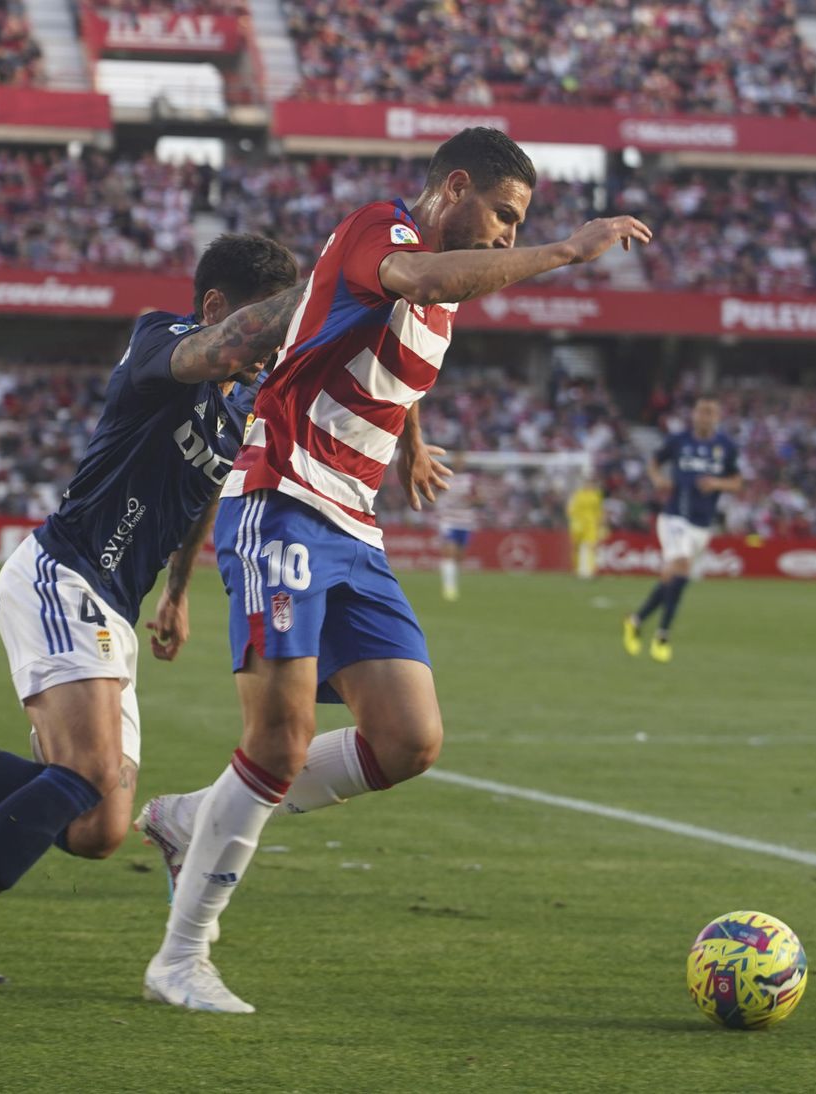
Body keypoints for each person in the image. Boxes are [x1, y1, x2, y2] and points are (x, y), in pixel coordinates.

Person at [138, 127, 652, 1013]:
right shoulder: (381, 230)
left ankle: (193, 816)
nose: (507, 234)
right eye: (503, 214)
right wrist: (566, 252)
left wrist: (411, 442)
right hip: (283, 496)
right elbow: (412, 281)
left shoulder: (439, 288)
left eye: (519, 224)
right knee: (278, 739)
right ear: (454, 187)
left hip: (352, 522)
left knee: (409, 738)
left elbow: (388, 340)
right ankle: (180, 958)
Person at [0, 235, 302, 985]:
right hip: (62, 574)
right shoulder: (161, 340)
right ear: (215, 308)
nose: (270, 344)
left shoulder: (241, 405)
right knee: (91, 771)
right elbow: (224, 348)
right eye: (264, 320)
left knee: (96, 828)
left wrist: (176, 590)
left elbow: (204, 489)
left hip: (115, 606)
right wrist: (332, 285)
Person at [623, 396, 741, 663]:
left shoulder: (726, 447)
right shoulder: (679, 441)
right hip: (675, 517)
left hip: (702, 524)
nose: (704, 417)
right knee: (682, 565)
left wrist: (717, 484)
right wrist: (657, 479)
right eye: (701, 411)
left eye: (710, 412)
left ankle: (636, 620)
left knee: (675, 576)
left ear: (717, 417)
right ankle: (662, 636)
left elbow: (737, 482)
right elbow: (654, 462)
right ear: (694, 415)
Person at [437, 453, 477, 600]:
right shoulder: (445, 477)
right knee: (450, 552)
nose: (460, 463)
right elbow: (436, 494)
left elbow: (478, 498)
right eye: (457, 460)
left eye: (462, 460)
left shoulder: (470, 479)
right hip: (448, 520)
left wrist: (471, 499)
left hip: (465, 521)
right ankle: (449, 587)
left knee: (460, 556)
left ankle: (453, 583)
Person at [567, 471, 604, 579]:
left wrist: (600, 523)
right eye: (588, 482)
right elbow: (570, 509)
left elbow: (599, 510)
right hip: (578, 524)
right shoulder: (577, 494)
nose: (589, 485)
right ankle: (576, 568)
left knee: (592, 546)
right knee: (576, 547)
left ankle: (592, 570)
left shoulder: (596, 495)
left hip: (591, 524)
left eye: (591, 483)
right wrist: (574, 520)